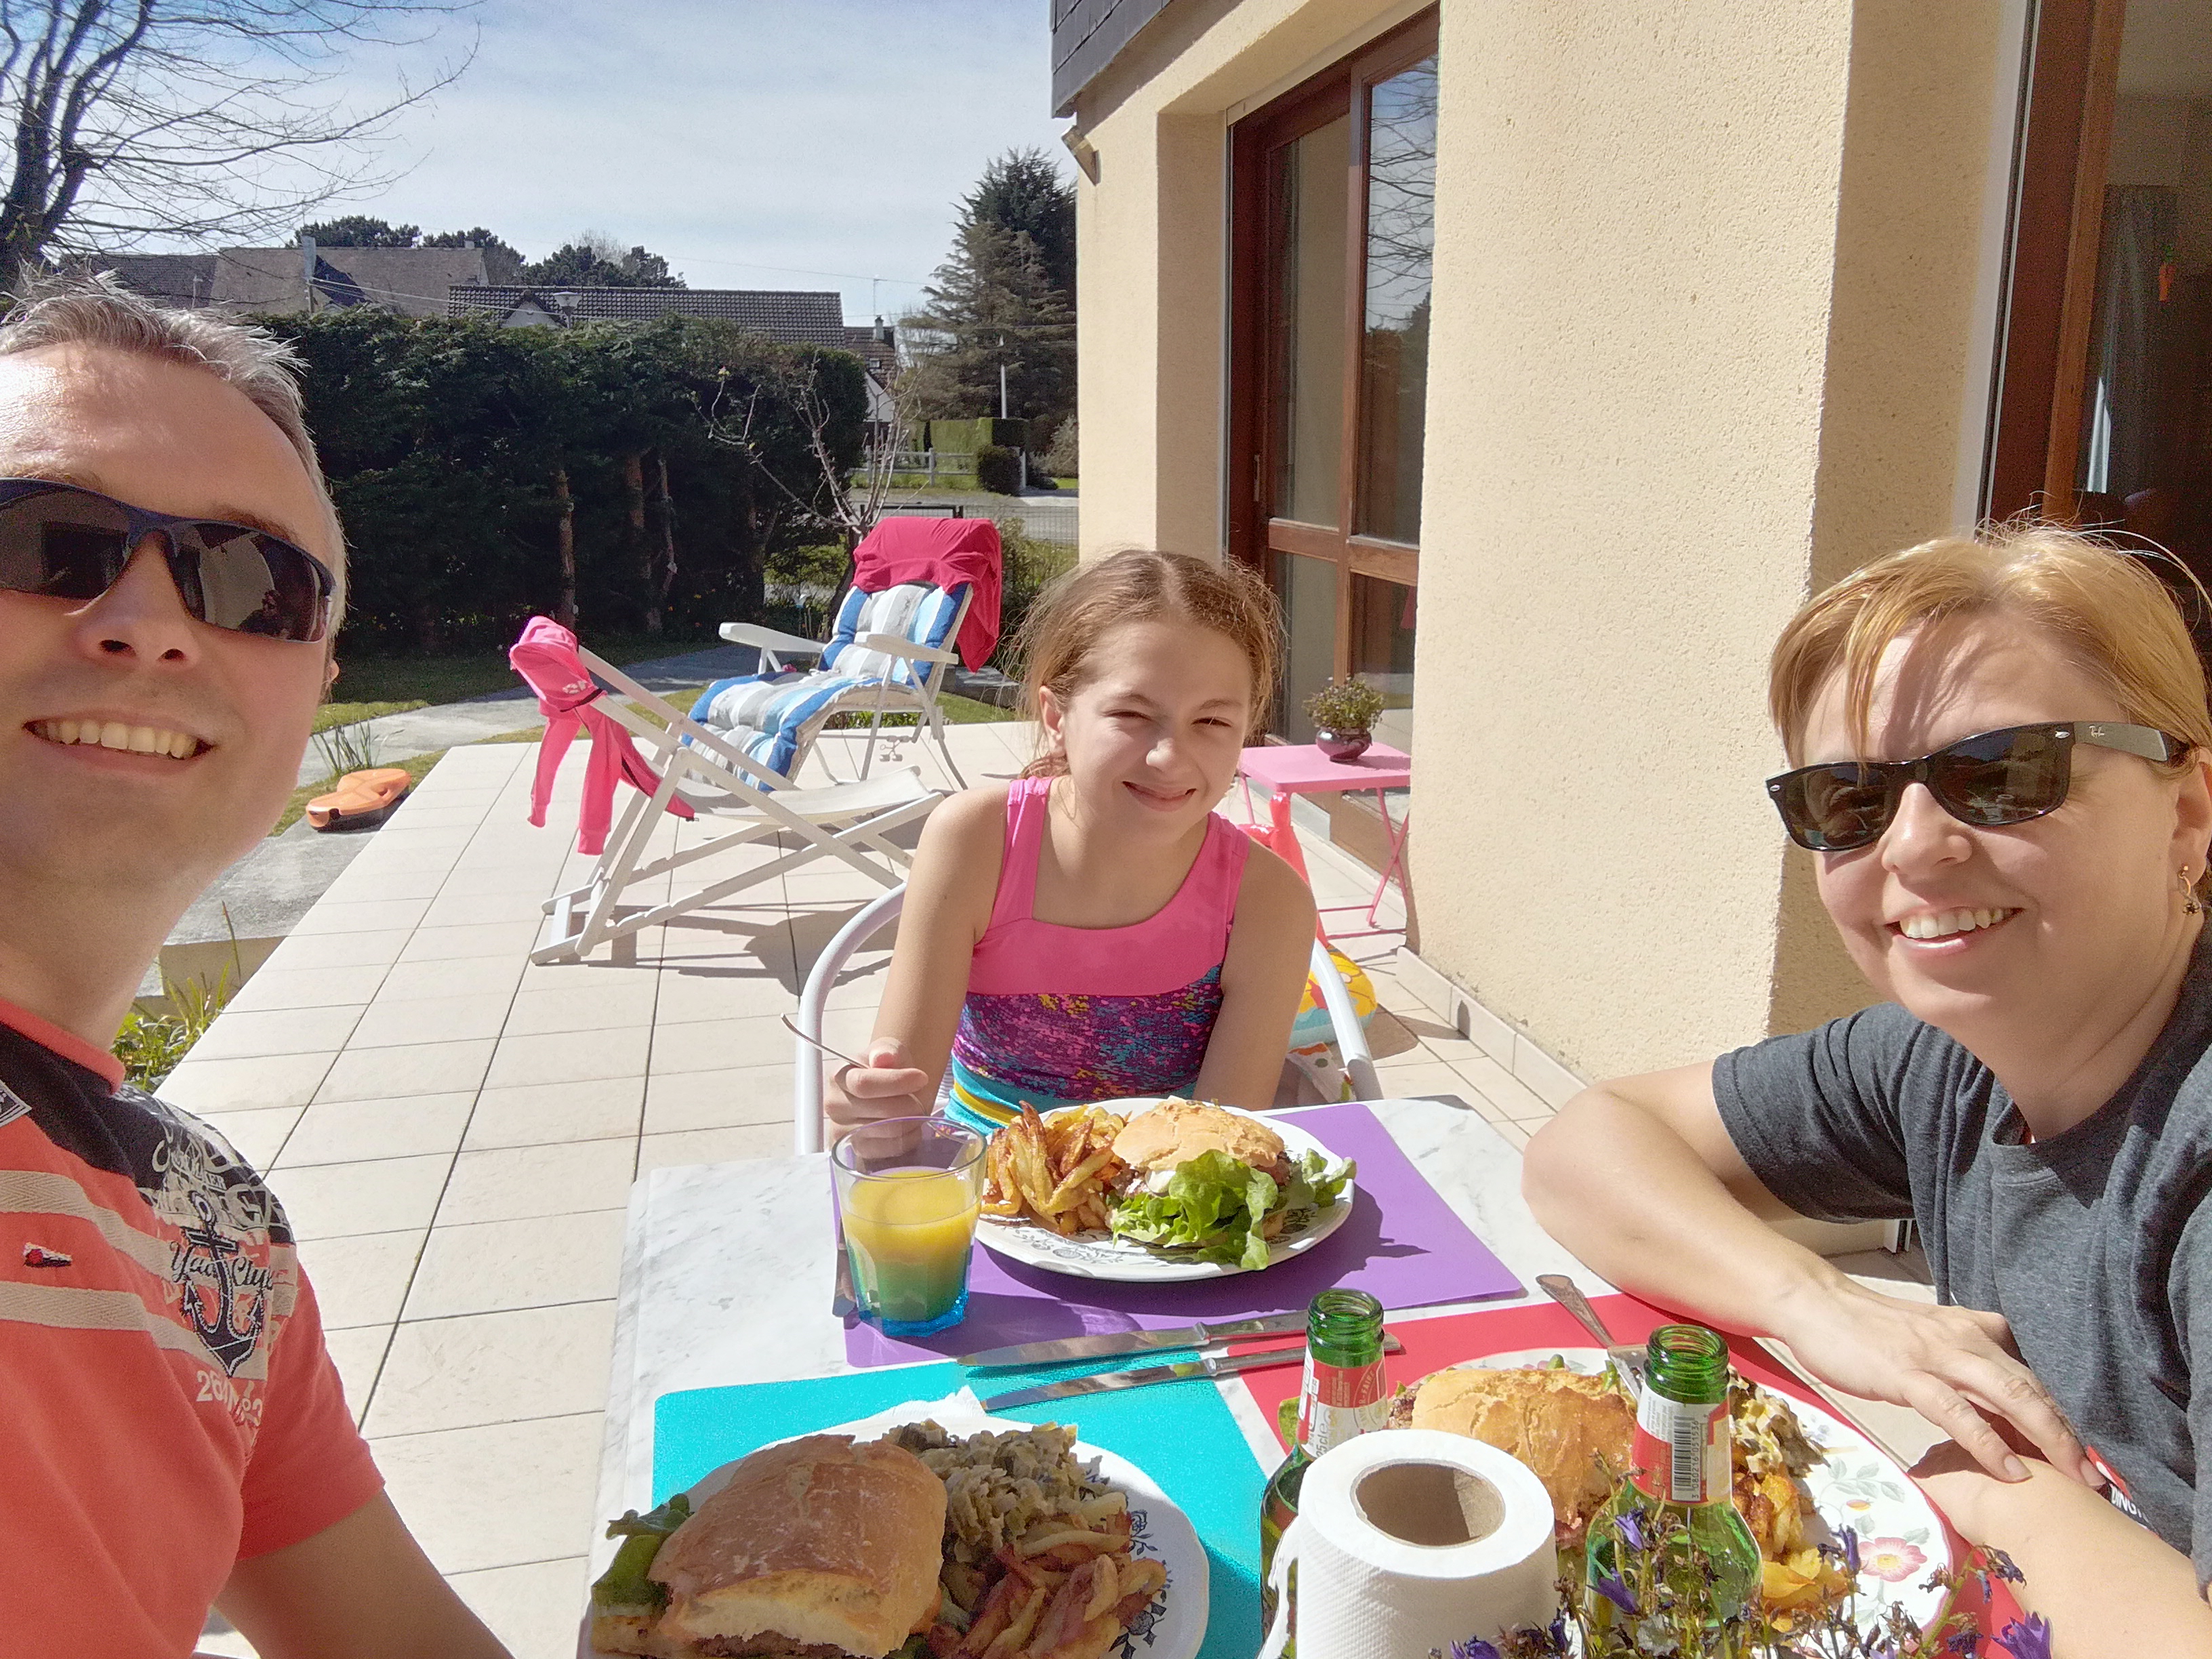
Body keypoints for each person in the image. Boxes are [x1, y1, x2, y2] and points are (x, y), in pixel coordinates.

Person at [1523, 523, 2212, 1647]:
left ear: (2184, 813)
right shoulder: (1943, 1066)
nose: (1912, 846)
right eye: (1846, 800)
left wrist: (1997, 1496)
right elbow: (1585, 1146)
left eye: (2002, 773)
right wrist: (1817, 1304)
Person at [0, 280, 512, 1657]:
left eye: (250, 580)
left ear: (318, 673)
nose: (148, 623)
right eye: (41, 538)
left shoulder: (213, 1237)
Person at [825, 549, 1317, 1134]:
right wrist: (867, 1113)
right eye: (1132, 714)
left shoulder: (1268, 901)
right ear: (1057, 717)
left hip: (1166, 1183)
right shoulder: (977, 842)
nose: (1169, 758)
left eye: (1212, 722)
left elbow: (1218, 1144)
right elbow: (894, 1118)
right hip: (985, 1173)